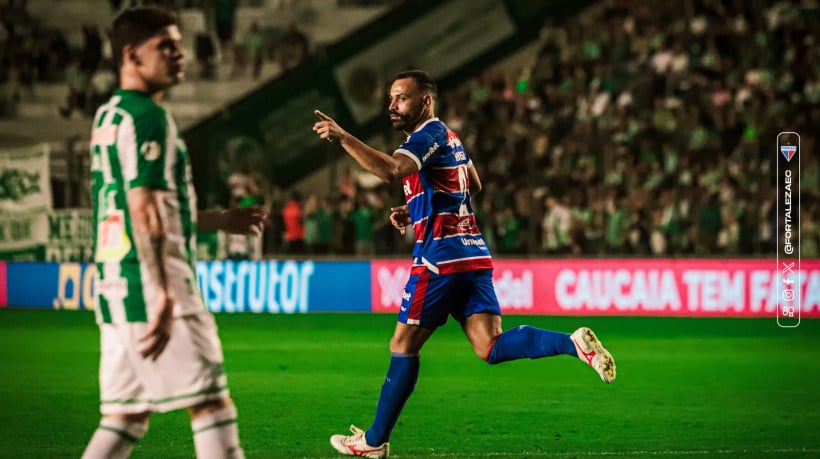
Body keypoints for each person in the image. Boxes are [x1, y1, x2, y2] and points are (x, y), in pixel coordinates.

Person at [313, 70, 617, 459]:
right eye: (390, 98)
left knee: (402, 345)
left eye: (401, 98)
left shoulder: (424, 136)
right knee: (489, 345)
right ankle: (571, 344)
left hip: (438, 259)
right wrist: (416, 208)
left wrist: (342, 137)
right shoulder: (449, 137)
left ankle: (374, 442)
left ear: (425, 102)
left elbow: (391, 171)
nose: (392, 105)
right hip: (472, 254)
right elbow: (471, 183)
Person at [83, 7, 268, 459]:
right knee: (210, 405)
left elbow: (138, 208)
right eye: (165, 46)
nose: (179, 54)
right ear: (131, 54)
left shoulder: (109, 116)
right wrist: (164, 293)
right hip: (154, 284)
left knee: (125, 417)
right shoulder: (148, 117)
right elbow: (144, 210)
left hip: (114, 286)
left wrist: (219, 220)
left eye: (179, 45)